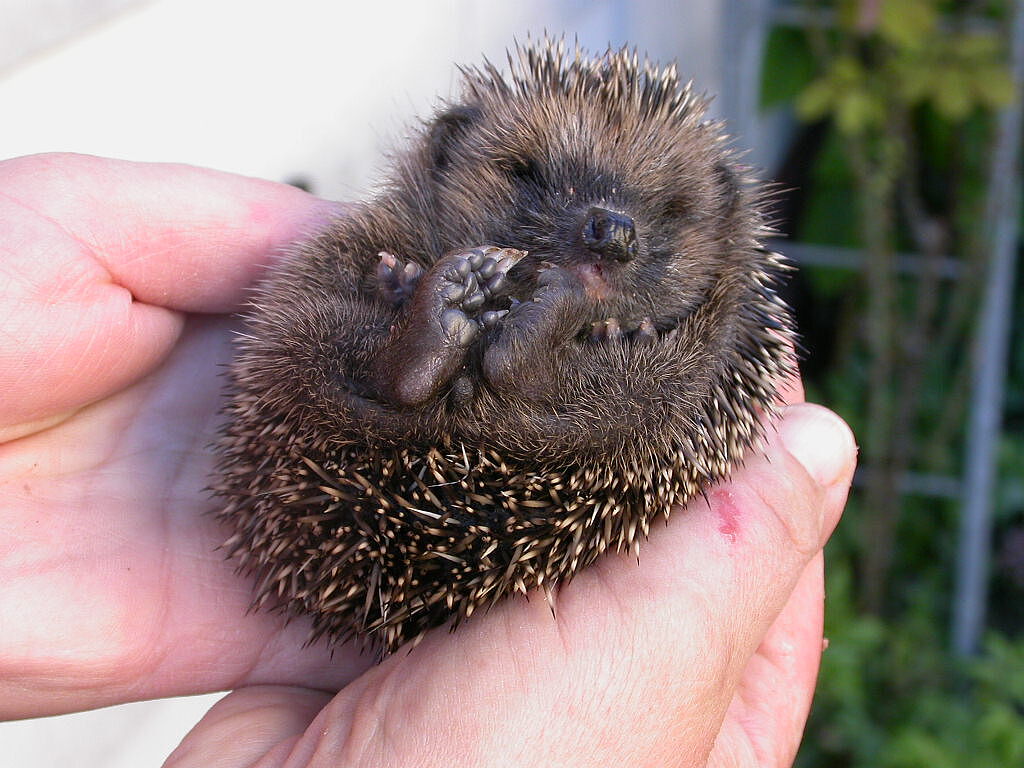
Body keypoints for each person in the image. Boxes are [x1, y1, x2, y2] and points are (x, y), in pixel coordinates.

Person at [0, 153, 856, 768]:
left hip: (519, 455)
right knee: (324, 311)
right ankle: (503, 368)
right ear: (448, 149)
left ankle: (476, 367)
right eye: (530, 177)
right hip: (394, 452)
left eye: (664, 212)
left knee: (663, 392)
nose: (608, 222)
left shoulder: (719, 321)